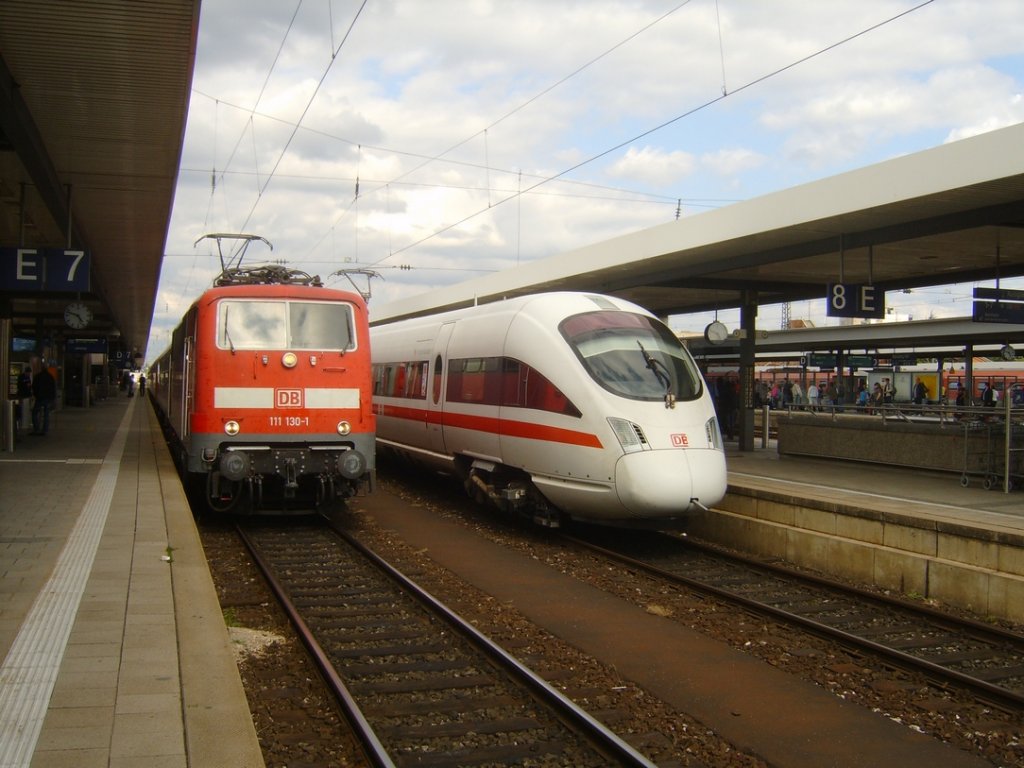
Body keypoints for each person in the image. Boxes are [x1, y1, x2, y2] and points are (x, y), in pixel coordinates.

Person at [30, 357, 57, 436]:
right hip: (48, 398)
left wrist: (35, 395)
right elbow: (53, 388)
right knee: (46, 414)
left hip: (39, 398)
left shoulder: (37, 376)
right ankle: (45, 430)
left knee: (35, 412)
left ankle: (36, 428)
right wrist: (53, 398)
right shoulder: (50, 377)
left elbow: (34, 386)